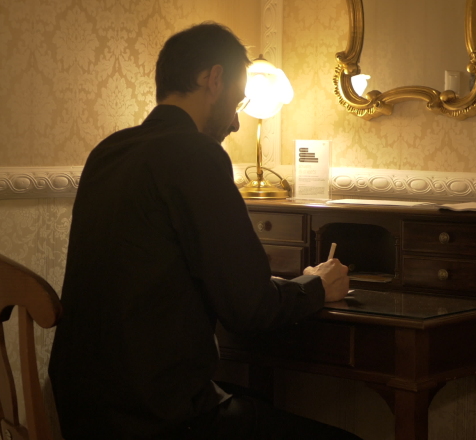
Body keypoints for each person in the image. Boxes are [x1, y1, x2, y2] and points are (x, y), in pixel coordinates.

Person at [48, 22, 360, 440]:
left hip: (84, 410)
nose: (235, 121)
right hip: (159, 418)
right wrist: (316, 284)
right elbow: (249, 308)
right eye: (237, 100)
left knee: (255, 404)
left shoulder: (109, 151)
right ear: (213, 79)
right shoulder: (196, 154)